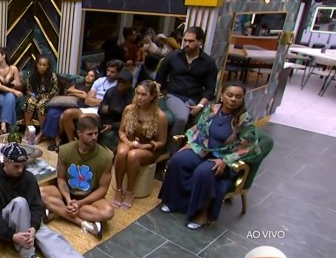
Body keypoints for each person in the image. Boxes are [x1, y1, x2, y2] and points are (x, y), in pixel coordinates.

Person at [0, 143, 142, 258]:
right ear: (5, 162)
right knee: (20, 202)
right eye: (16, 166)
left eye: (23, 166)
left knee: (57, 244)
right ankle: (28, 255)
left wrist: (33, 227)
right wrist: (12, 236)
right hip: (9, 227)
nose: (21, 170)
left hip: (29, 224)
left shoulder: (28, 178)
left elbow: (36, 206)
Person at [159, 81, 261, 229]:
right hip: (204, 149)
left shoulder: (244, 120)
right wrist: (190, 143)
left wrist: (225, 160)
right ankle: (174, 202)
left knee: (204, 172)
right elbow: (199, 129)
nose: (233, 99)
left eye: (238, 97)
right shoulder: (212, 109)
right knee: (178, 160)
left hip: (223, 157)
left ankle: (202, 214)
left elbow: (250, 147)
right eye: (230, 95)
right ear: (222, 95)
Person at [40, 117, 114, 238]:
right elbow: (61, 178)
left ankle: (57, 211)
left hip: (89, 198)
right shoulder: (65, 150)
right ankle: (83, 223)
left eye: (96, 133)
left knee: (108, 212)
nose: (94, 137)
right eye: (90, 134)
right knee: (39, 192)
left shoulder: (106, 157)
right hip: (66, 194)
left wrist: (80, 203)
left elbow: (103, 189)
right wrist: (68, 199)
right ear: (79, 133)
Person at [155, 26, 218, 154]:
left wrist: (200, 106)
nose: (187, 44)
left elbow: (210, 89)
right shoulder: (173, 56)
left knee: (207, 122)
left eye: (191, 41)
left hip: (195, 98)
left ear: (200, 41)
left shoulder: (209, 62)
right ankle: (172, 154)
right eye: (185, 40)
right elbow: (160, 77)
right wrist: (165, 92)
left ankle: (195, 153)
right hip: (174, 95)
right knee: (182, 117)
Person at [112, 81, 168, 208]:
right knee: (122, 153)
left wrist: (143, 146)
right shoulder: (129, 109)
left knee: (133, 155)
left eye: (143, 94)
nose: (139, 97)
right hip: (129, 141)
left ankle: (130, 191)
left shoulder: (160, 116)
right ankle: (119, 189)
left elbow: (162, 142)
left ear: (152, 96)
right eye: (137, 93)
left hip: (148, 148)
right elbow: (121, 131)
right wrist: (126, 140)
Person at [60, 61, 123, 144]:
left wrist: (95, 100)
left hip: (101, 113)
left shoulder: (119, 85)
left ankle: (81, 144)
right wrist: (102, 102)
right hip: (90, 108)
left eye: (112, 72)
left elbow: (110, 106)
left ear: (118, 73)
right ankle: (72, 143)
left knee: (83, 117)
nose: (108, 73)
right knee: (67, 113)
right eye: (108, 70)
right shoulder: (100, 81)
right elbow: (87, 100)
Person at [41, 69, 98, 152]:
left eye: (91, 76)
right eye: (87, 75)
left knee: (62, 116)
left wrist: (75, 93)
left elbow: (86, 97)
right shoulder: (79, 84)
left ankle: (58, 139)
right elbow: (69, 90)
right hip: (66, 103)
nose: (88, 77)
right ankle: (53, 137)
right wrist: (81, 93)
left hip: (78, 107)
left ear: (95, 79)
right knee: (52, 112)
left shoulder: (93, 88)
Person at [97, 70, 135, 153]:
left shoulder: (133, 97)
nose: (120, 84)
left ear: (129, 84)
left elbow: (130, 120)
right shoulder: (110, 92)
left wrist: (112, 126)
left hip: (122, 124)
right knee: (92, 124)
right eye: (119, 81)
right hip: (107, 120)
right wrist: (103, 110)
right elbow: (100, 111)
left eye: (123, 82)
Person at [0, 47, 24, 133]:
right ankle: (13, 131)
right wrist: (14, 91)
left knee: (10, 98)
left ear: (3, 56)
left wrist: (17, 84)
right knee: (9, 102)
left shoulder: (13, 69)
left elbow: (18, 86)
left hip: (10, 95)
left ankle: (3, 123)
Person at [23, 55, 59, 131]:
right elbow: (29, 91)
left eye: (44, 65)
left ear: (48, 66)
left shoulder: (53, 76)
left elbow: (54, 92)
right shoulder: (31, 75)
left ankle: (43, 131)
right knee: (30, 102)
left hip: (49, 97)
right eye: (40, 65)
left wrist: (38, 96)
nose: (41, 67)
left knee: (41, 104)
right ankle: (27, 128)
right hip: (35, 96)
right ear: (37, 65)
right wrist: (34, 95)